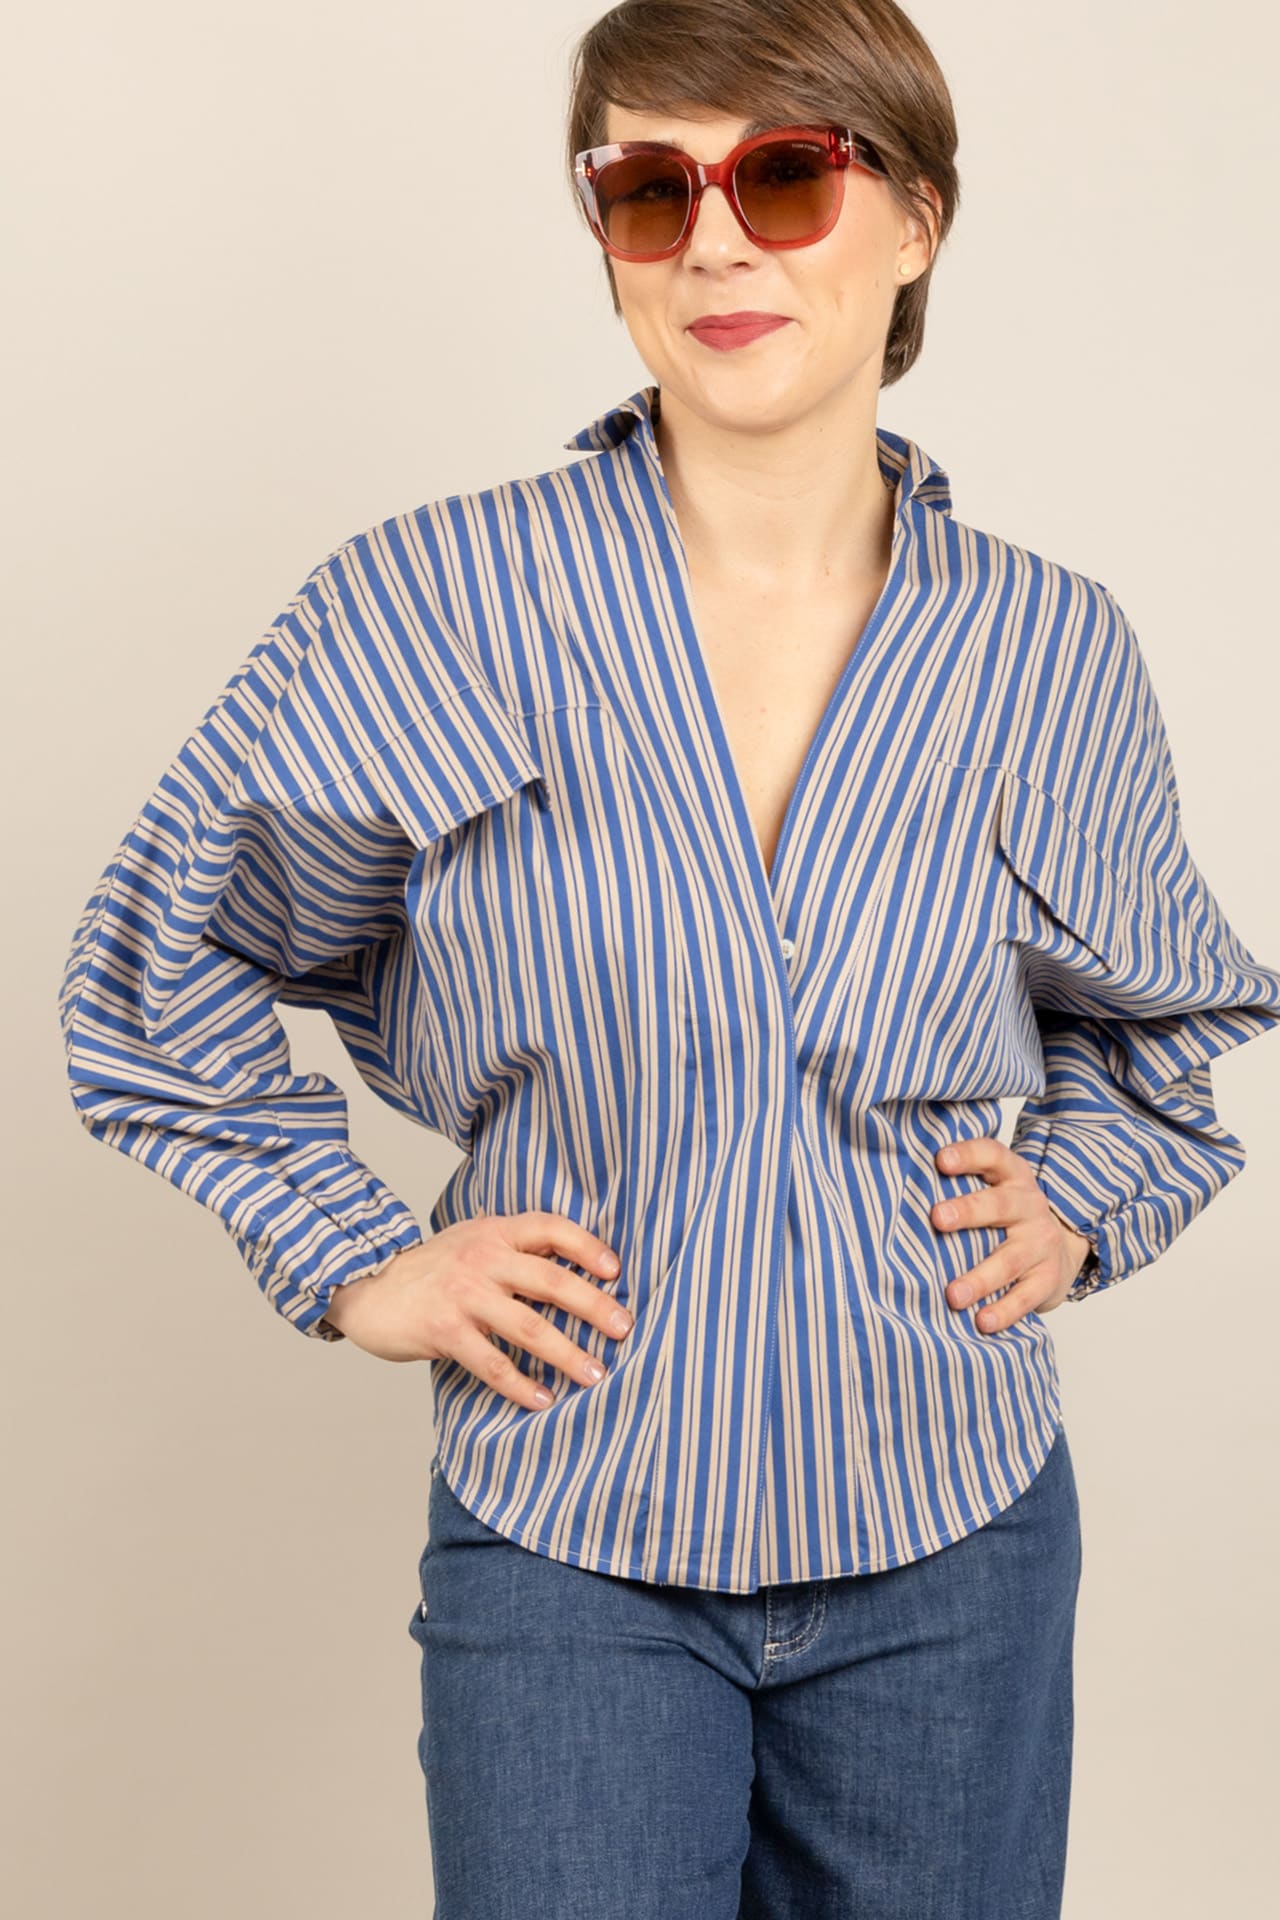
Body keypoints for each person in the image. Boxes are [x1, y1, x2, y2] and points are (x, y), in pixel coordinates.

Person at [57, 2, 1280, 1915]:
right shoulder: (436, 603)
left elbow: (1155, 1024)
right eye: (649, 190)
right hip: (571, 1533)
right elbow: (157, 960)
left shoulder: (1049, 648)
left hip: (953, 1535)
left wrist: (1085, 1198)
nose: (714, 242)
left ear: (918, 220)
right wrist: (354, 1258)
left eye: (785, 177)